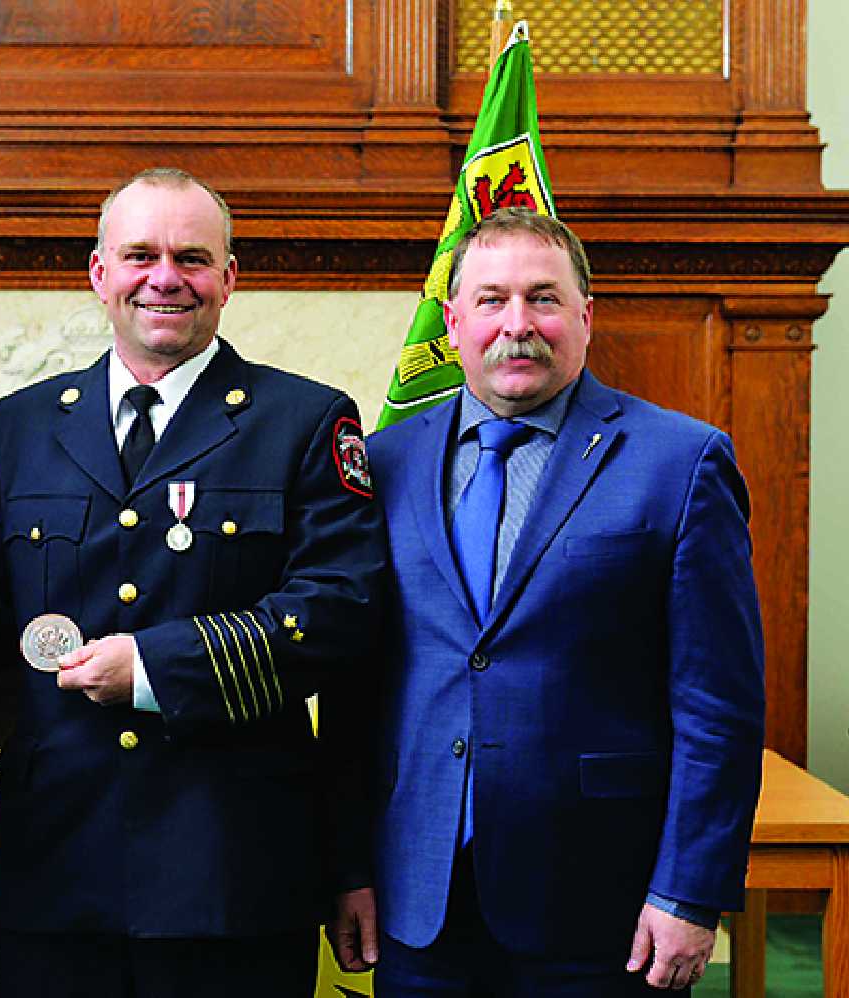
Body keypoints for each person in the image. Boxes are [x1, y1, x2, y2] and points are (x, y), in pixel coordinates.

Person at [0, 167, 386, 997]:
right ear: (99, 274)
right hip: (60, 863)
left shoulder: (306, 421)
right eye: (140, 255)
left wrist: (158, 668)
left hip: (231, 868)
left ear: (229, 279)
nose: (165, 278)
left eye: (192, 258)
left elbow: (338, 611)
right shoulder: (22, 424)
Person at [327, 207, 766, 994]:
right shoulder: (385, 463)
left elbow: (719, 708)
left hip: (601, 904)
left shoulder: (680, 461)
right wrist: (349, 866)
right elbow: (358, 692)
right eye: (491, 300)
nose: (517, 324)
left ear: (585, 317)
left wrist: (689, 891)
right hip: (420, 898)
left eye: (544, 298)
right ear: (453, 322)